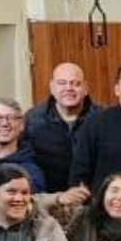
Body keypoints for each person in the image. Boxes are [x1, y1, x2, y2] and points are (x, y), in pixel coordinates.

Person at [24, 62, 95, 194]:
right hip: (48, 199)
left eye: (76, 84)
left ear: (85, 88)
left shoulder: (101, 119)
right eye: (62, 83)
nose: (69, 88)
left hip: (92, 198)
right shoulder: (32, 120)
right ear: (52, 87)